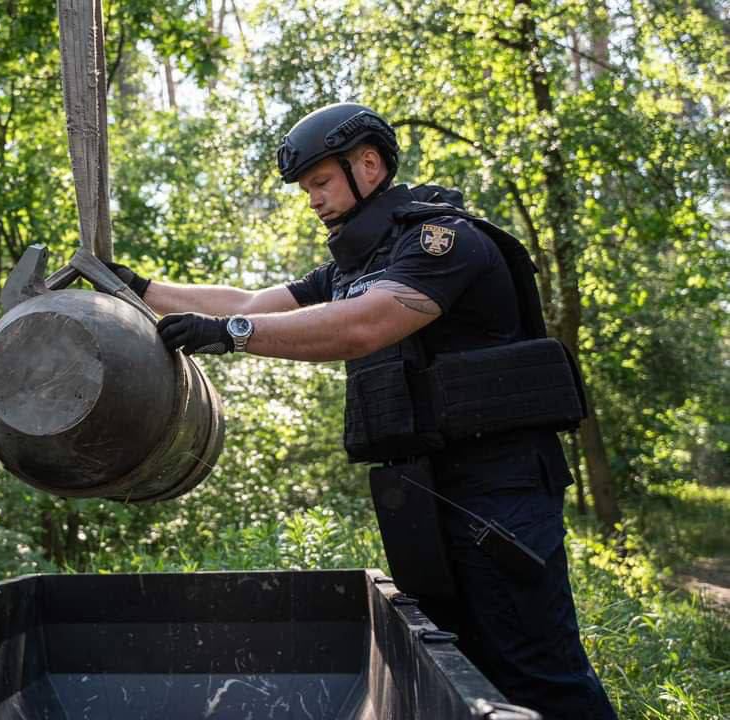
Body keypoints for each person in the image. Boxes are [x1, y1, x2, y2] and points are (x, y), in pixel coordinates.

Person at [105, 103, 617, 720]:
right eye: (307, 188)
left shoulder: (442, 241)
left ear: (368, 164)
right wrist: (139, 289)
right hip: (423, 496)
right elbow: (250, 299)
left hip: (499, 491)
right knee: (459, 670)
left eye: (320, 182)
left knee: (539, 671)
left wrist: (229, 332)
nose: (312, 199)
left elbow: (364, 325)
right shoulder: (354, 266)